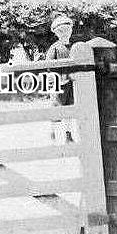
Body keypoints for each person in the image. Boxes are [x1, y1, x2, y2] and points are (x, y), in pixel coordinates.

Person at [44, 14, 76, 142]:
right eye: (61, 31)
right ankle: (53, 134)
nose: (64, 33)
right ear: (56, 33)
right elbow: (48, 67)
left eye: (67, 30)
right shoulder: (54, 48)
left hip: (70, 83)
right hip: (58, 85)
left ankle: (68, 134)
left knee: (69, 109)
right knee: (56, 109)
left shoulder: (73, 48)